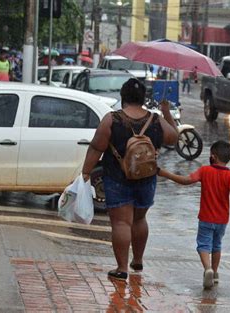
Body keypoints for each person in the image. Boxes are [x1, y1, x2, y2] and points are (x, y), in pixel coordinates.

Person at [81, 78, 178, 281]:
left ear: (123, 97)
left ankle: (122, 268)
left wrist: (86, 172)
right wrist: (166, 111)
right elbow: (173, 137)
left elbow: (96, 147)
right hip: (147, 178)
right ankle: (138, 260)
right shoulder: (155, 119)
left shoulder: (112, 119)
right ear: (143, 98)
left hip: (117, 178)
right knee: (140, 219)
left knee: (121, 224)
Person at [158, 140, 230, 289]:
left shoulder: (205, 170)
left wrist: (165, 173)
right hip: (222, 220)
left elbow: (186, 181)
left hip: (206, 218)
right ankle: (215, 273)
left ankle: (208, 269)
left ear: (213, 156)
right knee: (217, 245)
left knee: (203, 245)